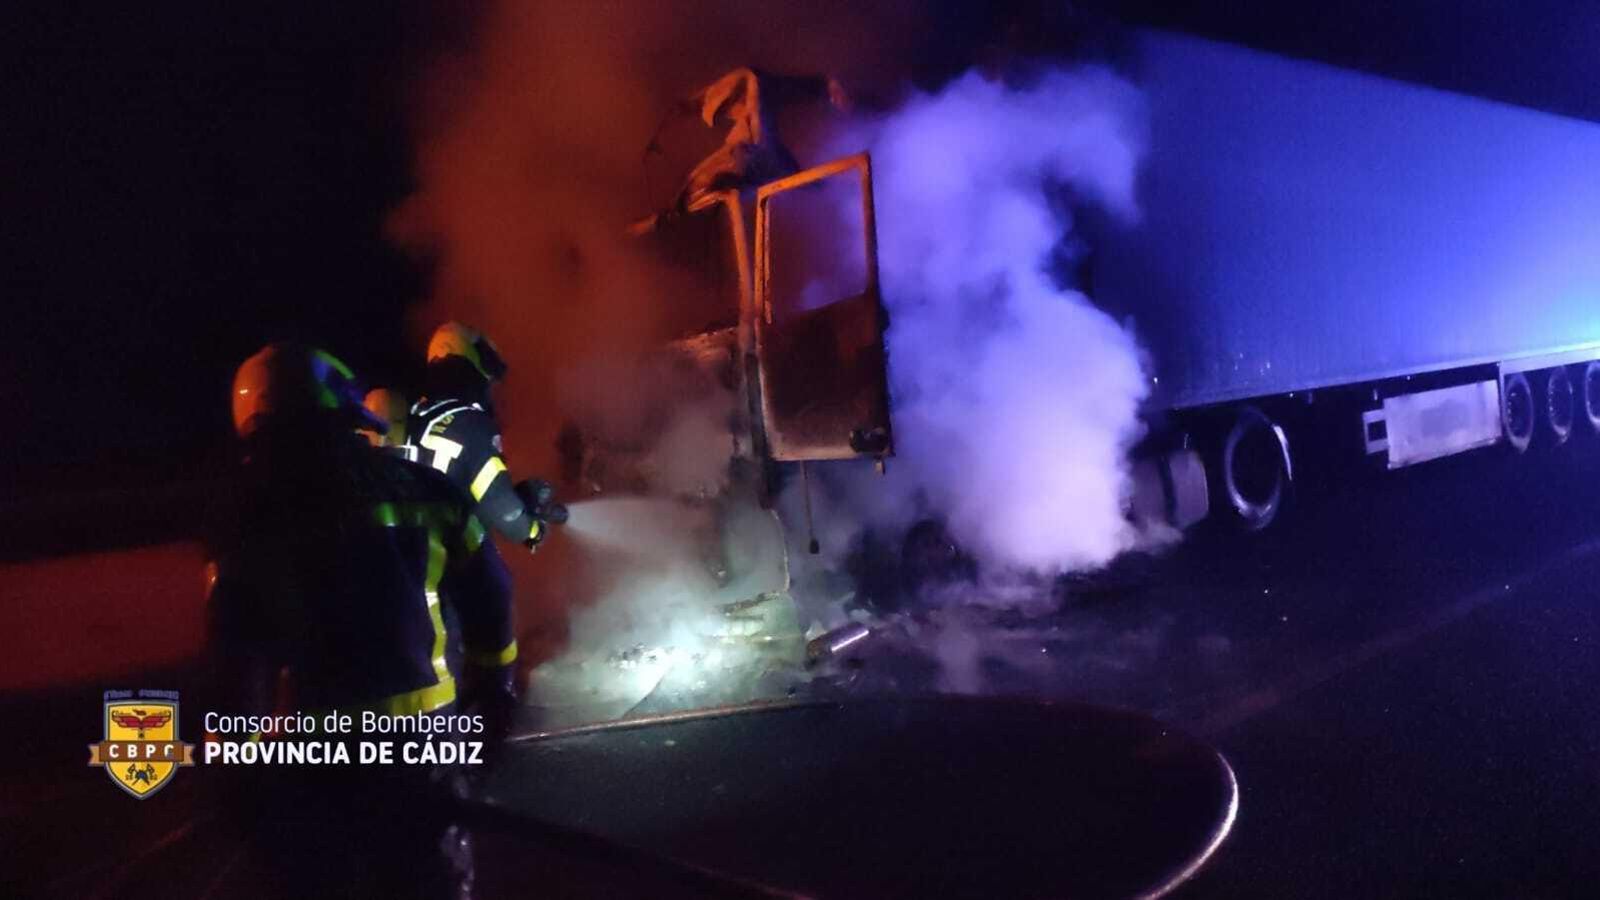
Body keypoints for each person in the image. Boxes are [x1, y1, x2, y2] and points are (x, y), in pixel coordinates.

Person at [209, 342, 518, 899]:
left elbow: (237, 671)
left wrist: (244, 782)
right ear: (346, 416)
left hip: (321, 766)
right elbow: (491, 595)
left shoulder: (249, 523)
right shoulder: (427, 490)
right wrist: (495, 689)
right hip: (429, 753)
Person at [408, 322, 565, 552]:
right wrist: (532, 530)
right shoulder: (470, 423)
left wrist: (520, 496)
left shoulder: (419, 418)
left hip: (408, 560)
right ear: (467, 363)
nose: (488, 385)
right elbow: (499, 504)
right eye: (486, 374)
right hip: (440, 564)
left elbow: (466, 493)